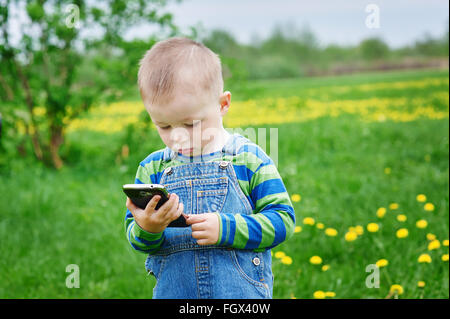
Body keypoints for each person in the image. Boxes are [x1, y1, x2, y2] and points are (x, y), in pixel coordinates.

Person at [124, 37, 295, 299]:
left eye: (191, 124)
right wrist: (148, 228)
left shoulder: (248, 158)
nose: (178, 137)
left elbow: (283, 220)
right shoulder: (152, 169)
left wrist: (226, 229)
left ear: (223, 104)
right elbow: (137, 239)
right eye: (164, 126)